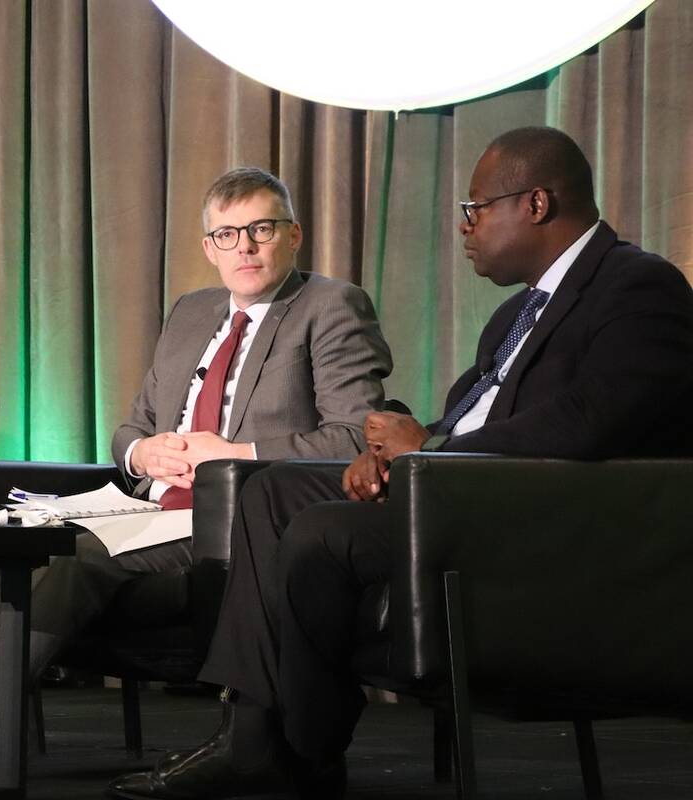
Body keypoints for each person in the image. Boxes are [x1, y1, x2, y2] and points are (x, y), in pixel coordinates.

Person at [108, 126, 693, 800]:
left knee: (321, 533)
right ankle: (259, 735)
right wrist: (388, 455)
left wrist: (435, 452)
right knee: (270, 495)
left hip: (525, 520)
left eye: (476, 209)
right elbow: (474, 417)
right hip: (452, 485)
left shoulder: (638, 286)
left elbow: (593, 421)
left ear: (535, 203)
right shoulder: (515, 314)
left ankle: (292, 747)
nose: (465, 229)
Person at [0, 167, 394, 778]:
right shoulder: (192, 313)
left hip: (230, 518)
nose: (245, 246)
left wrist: (233, 455)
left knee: (72, 554)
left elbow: (352, 440)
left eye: (261, 229)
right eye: (227, 234)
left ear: (293, 234)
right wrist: (141, 454)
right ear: (208, 247)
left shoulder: (329, 305)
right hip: (146, 505)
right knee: (12, 529)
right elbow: (130, 429)